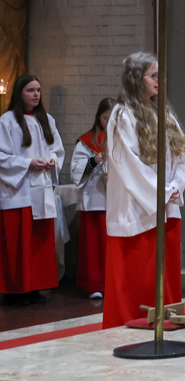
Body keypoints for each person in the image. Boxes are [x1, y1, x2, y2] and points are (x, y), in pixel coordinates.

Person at [103, 53, 185, 328]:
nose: (159, 81)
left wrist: (174, 187)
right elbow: (127, 164)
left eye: (160, 76)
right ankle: (128, 324)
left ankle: (164, 321)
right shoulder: (122, 115)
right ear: (135, 79)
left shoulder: (162, 111)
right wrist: (160, 192)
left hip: (164, 204)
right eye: (153, 76)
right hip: (137, 207)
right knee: (136, 278)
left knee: (161, 276)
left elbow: (180, 154)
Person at [0, 74, 63, 307]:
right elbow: (1, 156)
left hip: (41, 189)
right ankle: (14, 291)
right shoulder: (7, 121)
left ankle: (35, 287)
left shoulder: (47, 119)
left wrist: (52, 160)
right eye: (30, 90)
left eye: (38, 90)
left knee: (38, 244)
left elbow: (57, 149)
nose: (36, 94)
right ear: (19, 93)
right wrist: (27, 163)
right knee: (17, 245)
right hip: (18, 191)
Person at [69, 97, 114, 299]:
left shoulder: (124, 139)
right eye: (105, 118)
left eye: (113, 118)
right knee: (94, 245)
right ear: (98, 117)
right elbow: (76, 171)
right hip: (94, 198)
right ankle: (94, 284)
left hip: (115, 200)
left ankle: (112, 283)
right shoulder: (87, 141)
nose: (109, 122)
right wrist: (93, 161)